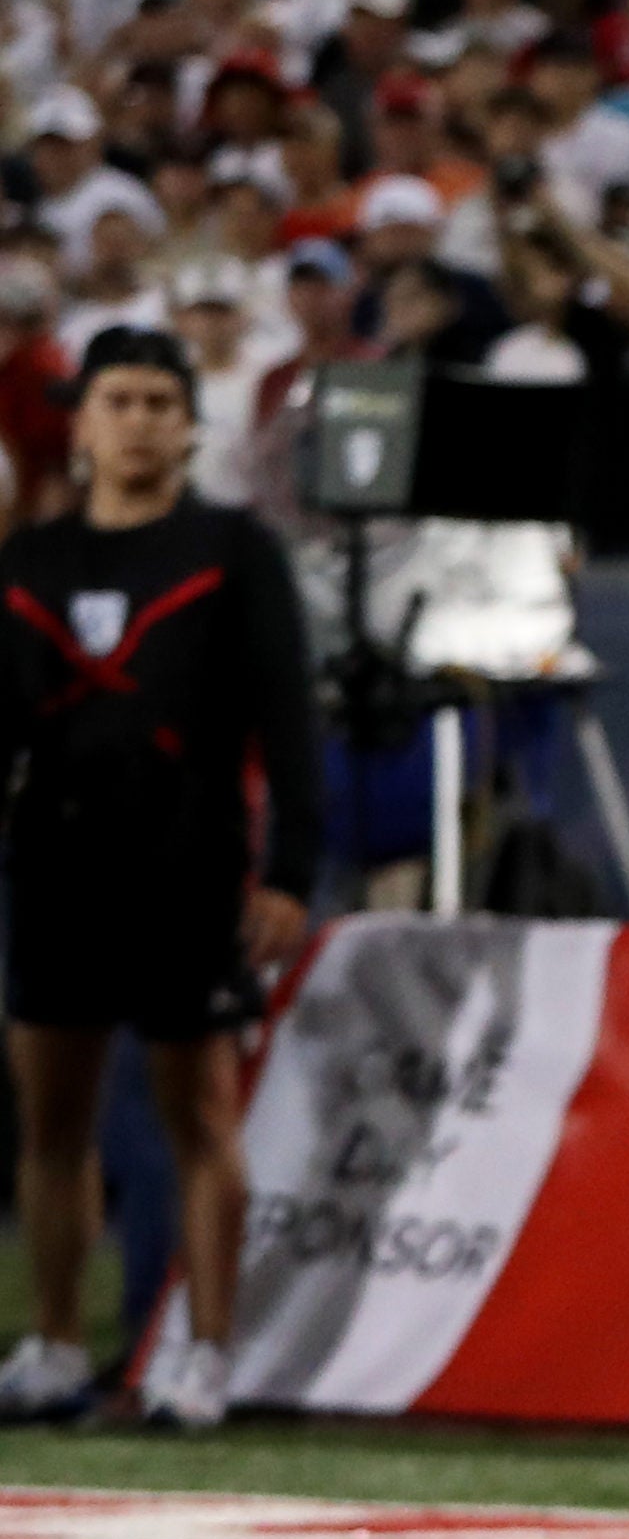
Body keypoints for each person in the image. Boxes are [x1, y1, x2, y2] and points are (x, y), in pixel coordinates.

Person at [0, 329, 321, 1434]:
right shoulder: (26, 562)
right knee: (51, 1117)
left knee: (200, 1112)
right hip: (53, 865)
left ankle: (206, 1354)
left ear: (190, 423)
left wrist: (291, 866)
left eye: (156, 400)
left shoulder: (233, 548)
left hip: (189, 864)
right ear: (80, 421)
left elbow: (290, 716)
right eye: (117, 399)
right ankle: (52, 1345)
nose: (137, 419)